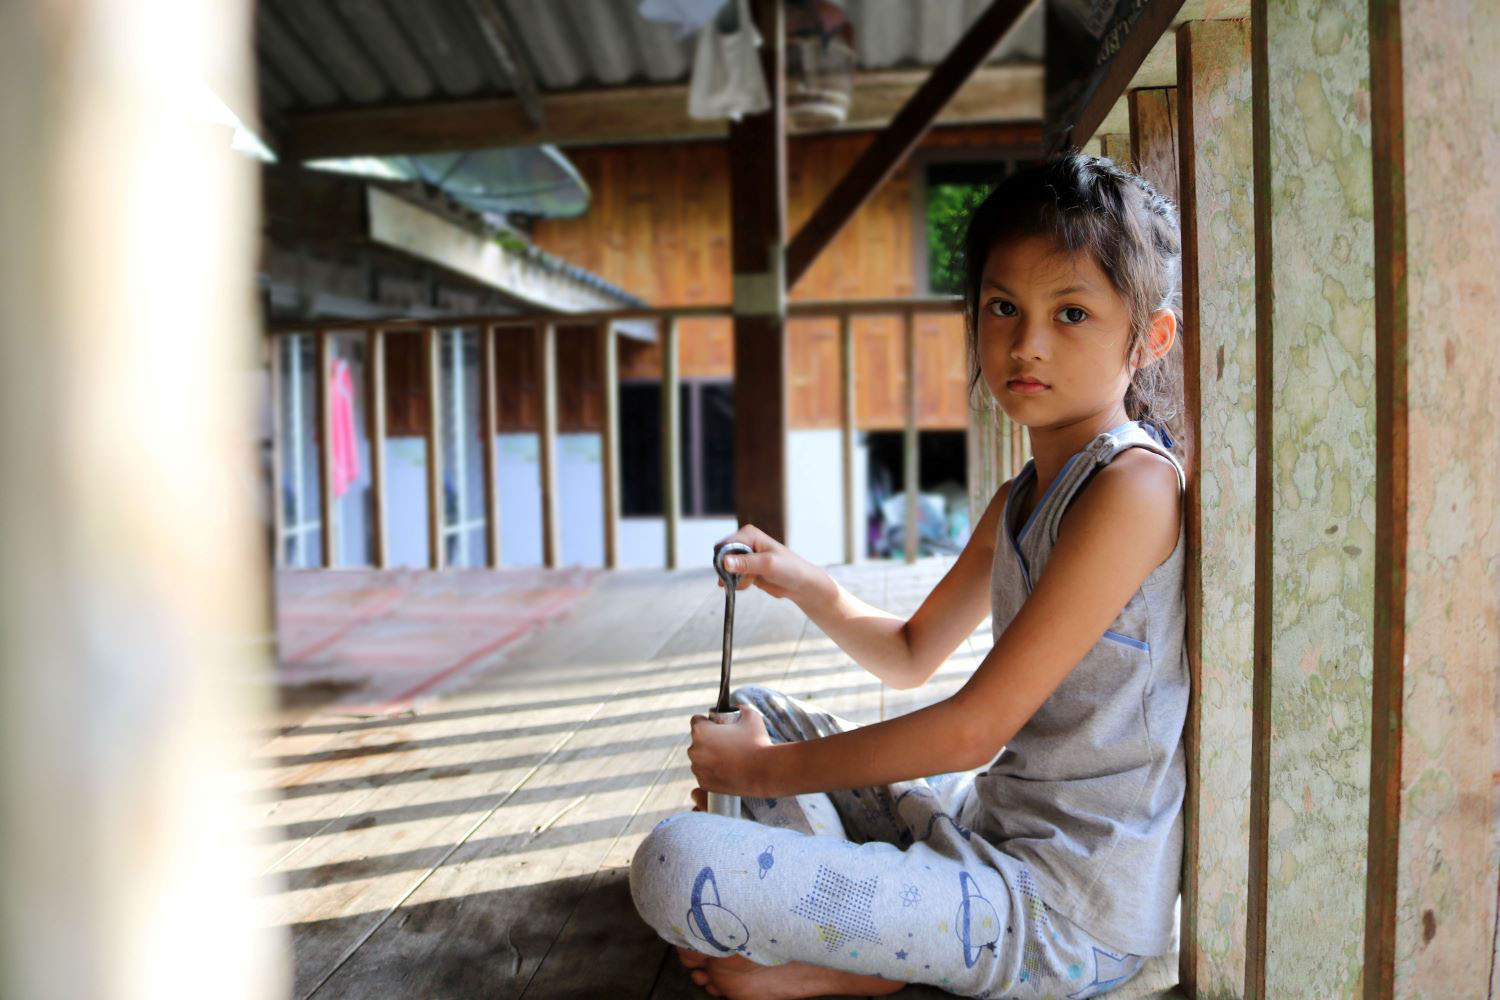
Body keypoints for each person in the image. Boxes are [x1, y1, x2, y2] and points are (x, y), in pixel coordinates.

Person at [629, 153, 1189, 1000]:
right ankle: (864, 921)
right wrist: (804, 581)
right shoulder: (1023, 496)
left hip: (1067, 909)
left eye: (1071, 313)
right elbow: (910, 653)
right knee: (760, 713)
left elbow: (973, 728)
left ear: (1148, 338)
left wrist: (757, 778)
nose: (1026, 344)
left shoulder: (1134, 488)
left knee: (675, 862)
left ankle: (849, 965)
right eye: (1004, 308)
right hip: (985, 828)